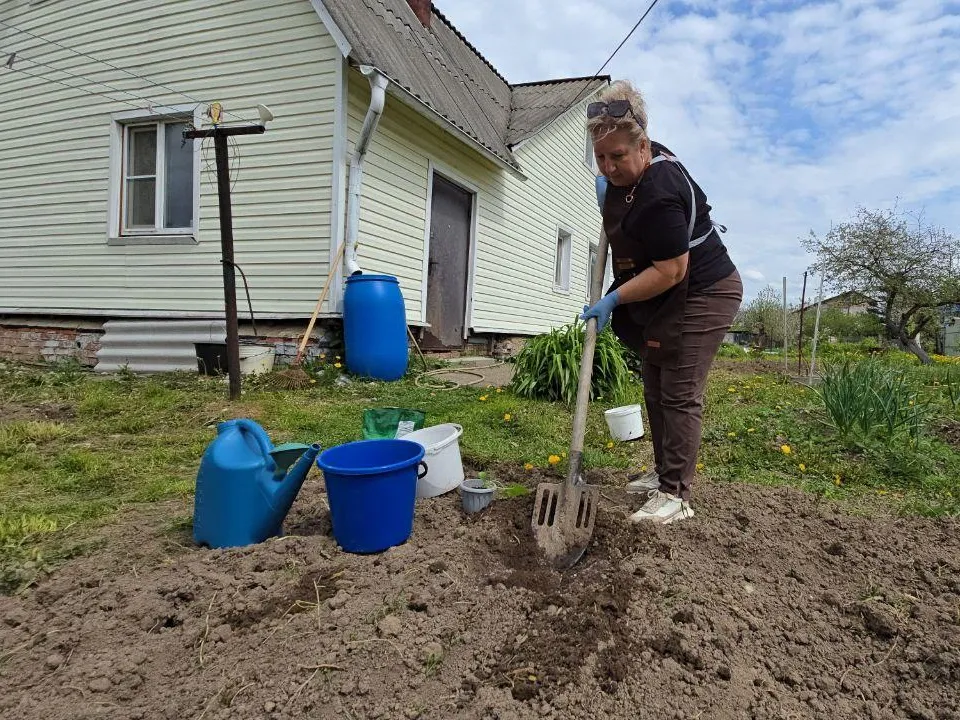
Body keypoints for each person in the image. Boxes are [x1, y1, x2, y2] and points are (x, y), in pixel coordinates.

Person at [582, 80, 742, 525]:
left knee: (679, 391)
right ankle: (663, 473)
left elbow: (672, 270)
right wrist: (611, 194)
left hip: (706, 291)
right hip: (673, 292)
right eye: (601, 157)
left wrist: (613, 299)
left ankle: (676, 495)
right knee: (654, 385)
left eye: (618, 157)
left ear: (645, 147)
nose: (609, 167)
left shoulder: (662, 191)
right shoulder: (633, 168)